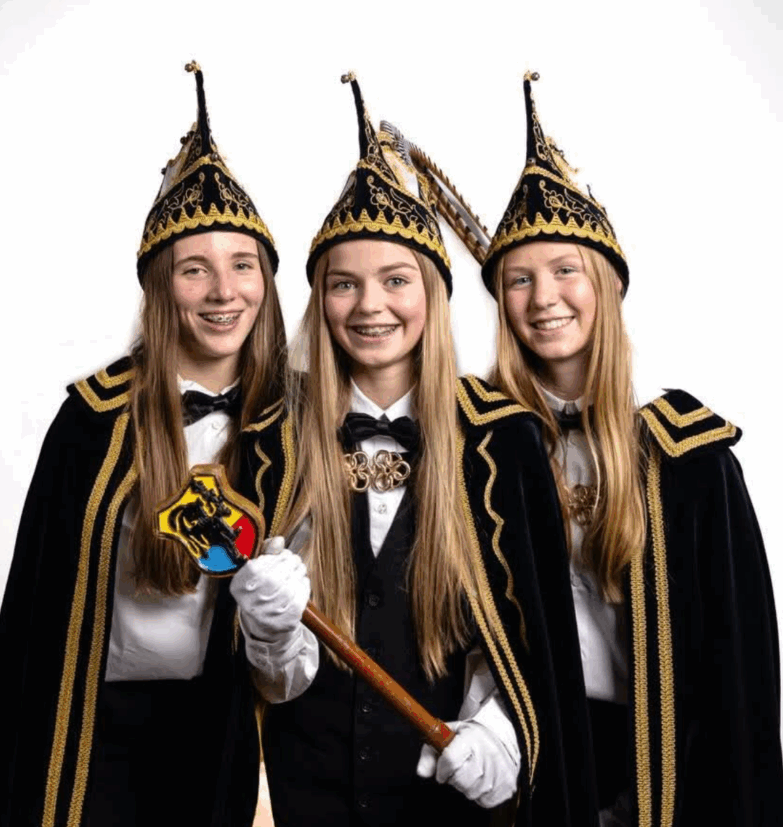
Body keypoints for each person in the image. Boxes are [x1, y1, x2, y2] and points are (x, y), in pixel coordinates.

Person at [229, 73, 596, 827]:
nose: (370, 306)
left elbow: (531, 636)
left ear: (431, 292)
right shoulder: (273, 438)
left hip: (447, 808)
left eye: (395, 280)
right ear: (319, 299)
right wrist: (268, 633)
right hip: (303, 804)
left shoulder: (502, 439)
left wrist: (499, 731)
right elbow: (264, 685)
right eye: (343, 285)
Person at [0, 62, 286, 827]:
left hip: (226, 735)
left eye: (242, 265)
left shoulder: (293, 421)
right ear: (160, 286)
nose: (223, 290)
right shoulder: (93, 419)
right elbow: (35, 619)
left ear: (265, 279)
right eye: (195, 269)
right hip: (93, 732)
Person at [482, 72, 783, 827]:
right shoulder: (485, 451)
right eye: (519, 279)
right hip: (532, 760)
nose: (543, 298)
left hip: (664, 768)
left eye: (566, 270)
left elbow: (740, 670)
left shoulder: (691, 459)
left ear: (608, 286)